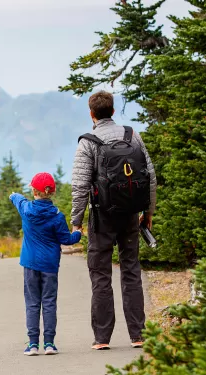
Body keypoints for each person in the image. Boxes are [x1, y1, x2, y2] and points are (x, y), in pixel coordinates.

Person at [71, 90, 157, 350]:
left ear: (92, 113)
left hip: (102, 217)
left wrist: (76, 221)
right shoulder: (132, 135)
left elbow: (79, 185)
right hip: (130, 215)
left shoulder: (88, 142)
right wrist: (148, 213)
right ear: (113, 111)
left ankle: (102, 338)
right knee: (131, 271)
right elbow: (150, 177)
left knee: (101, 276)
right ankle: (138, 335)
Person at [10, 172, 82, 356]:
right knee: (49, 302)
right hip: (50, 265)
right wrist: (78, 232)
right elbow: (67, 239)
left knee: (32, 303)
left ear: (33, 191)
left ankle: (33, 344)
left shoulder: (26, 209)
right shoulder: (57, 216)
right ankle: (49, 343)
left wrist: (13, 195)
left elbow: (17, 198)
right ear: (52, 192)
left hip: (30, 263)